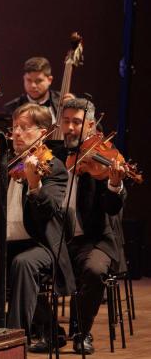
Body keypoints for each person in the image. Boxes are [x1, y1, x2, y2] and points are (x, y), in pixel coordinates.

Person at [0, 104, 74, 337]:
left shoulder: (53, 167)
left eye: (24, 128)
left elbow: (47, 210)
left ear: (42, 132)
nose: (16, 133)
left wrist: (34, 184)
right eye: (14, 127)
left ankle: (14, 336)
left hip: (39, 244)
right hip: (2, 243)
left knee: (23, 263)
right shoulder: (6, 161)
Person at [60, 98, 126, 354]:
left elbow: (112, 207)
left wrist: (114, 184)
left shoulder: (102, 157)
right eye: (66, 121)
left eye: (77, 122)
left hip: (94, 237)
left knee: (94, 270)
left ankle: (81, 330)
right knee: (21, 263)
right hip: (58, 238)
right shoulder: (52, 155)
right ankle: (47, 330)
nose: (70, 128)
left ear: (90, 125)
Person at [3, 57, 62, 121]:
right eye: (29, 80)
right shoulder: (11, 108)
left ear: (50, 80)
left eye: (38, 80)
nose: (33, 85)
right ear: (24, 78)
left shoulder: (62, 101)